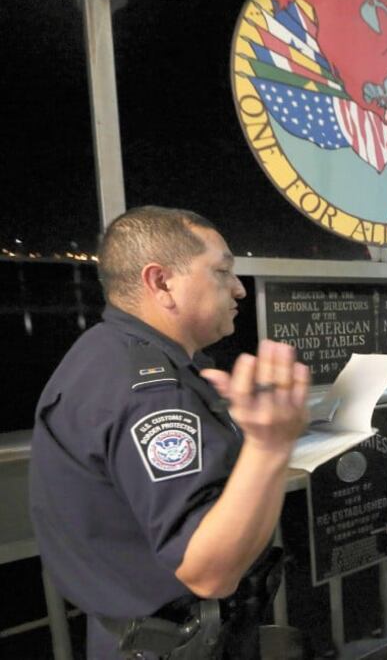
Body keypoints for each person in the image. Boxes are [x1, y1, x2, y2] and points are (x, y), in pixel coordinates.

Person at [29, 206, 310, 658]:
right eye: (221, 272)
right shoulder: (150, 394)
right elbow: (208, 572)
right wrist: (270, 445)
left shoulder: (104, 354)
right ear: (161, 283)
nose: (239, 288)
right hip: (173, 643)